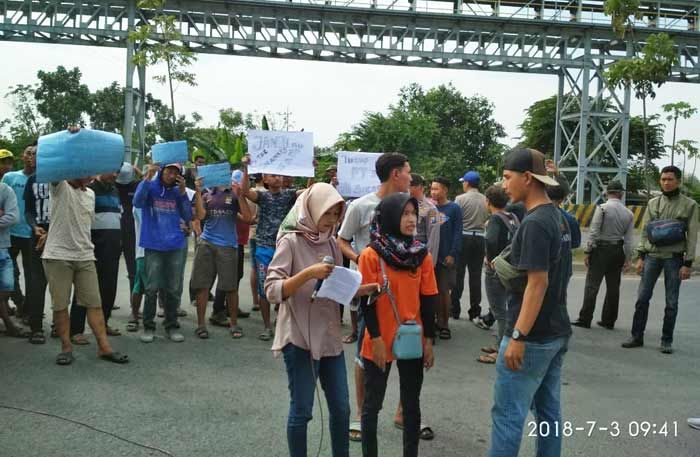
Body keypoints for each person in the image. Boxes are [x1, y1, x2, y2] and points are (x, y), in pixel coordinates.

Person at [265, 183, 379, 457]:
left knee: (341, 407)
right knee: (302, 409)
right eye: (328, 213)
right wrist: (308, 273)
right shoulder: (290, 241)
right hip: (300, 337)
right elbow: (272, 290)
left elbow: (335, 285)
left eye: (337, 215)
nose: (332, 221)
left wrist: (363, 289)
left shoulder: (331, 243)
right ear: (312, 208)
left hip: (329, 336)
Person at [489, 148, 571, 457]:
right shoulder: (558, 217)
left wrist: (518, 336)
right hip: (556, 331)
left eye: (508, 177)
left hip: (533, 336)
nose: (504, 184)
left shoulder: (535, 223)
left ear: (527, 178)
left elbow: (538, 283)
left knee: (508, 415)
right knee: (548, 413)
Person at [336, 153, 411, 441]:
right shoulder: (361, 205)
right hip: (372, 295)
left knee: (408, 352)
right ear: (395, 173)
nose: (409, 176)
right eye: (407, 171)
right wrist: (360, 259)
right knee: (365, 354)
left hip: (404, 296)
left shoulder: (408, 205)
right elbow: (342, 239)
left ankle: (404, 411)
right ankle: (361, 413)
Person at [358, 193, 437, 457]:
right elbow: (366, 302)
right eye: (404, 213)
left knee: (412, 406)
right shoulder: (371, 255)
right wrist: (377, 339)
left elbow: (429, 299)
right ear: (390, 216)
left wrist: (429, 341)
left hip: (413, 339)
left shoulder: (420, 254)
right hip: (378, 341)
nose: (411, 219)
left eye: (414, 213)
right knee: (372, 406)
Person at [42, 127, 129, 366]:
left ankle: (104, 347)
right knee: (60, 305)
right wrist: (71, 138)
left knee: (94, 302)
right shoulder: (59, 187)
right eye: (85, 171)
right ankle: (66, 347)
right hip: (58, 255)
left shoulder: (90, 194)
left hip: (85, 255)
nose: (90, 174)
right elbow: (55, 164)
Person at [623, 166, 698, 354]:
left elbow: (693, 236)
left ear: (678, 181)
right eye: (663, 179)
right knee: (642, 298)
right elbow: (645, 232)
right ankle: (636, 336)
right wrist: (640, 257)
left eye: (670, 179)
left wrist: (687, 264)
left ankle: (666, 341)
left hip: (674, 259)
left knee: (671, 302)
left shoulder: (690, 205)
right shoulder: (653, 203)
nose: (666, 182)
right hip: (652, 257)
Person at [134, 162, 196, 343]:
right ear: (161, 171)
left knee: (173, 288)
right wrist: (147, 177)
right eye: (168, 171)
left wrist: (184, 193)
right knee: (151, 287)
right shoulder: (150, 186)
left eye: (175, 173)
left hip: (175, 245)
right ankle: (148, 326)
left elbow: (187, 216)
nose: (171, 175)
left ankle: (171, 325)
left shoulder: (178, 192)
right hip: (153, 245)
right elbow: (137, 201)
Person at [243, 161, 304, 341]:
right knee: (264, 288)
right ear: (265, 180)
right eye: (272, 175)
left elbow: (309, 192)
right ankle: (267, 326)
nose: (277, 178)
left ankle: (282, 320)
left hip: (285, 247)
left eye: (279, 175)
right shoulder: (261, 196)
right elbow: (246, 191)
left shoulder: (289, 195)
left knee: (286, 286)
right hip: (264, 247)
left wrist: (310, 169)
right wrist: (246, 168)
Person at [191, 172, 251, 339]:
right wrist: (197, 191)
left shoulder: (233, 194)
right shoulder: (206, 194)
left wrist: (240, 196)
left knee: (230, 287)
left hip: (228, 246)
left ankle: (233, 324)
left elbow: (248, 217)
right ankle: (201, 325)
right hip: (206, 243)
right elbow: (201, 216)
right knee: (202, 286)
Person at [572, 180, 634, 329]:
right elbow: (629, 240)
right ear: (621, 194)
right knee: (613, 287)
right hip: (617, 250)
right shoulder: (629, 213)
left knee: (592, 286)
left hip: (601, 250)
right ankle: (609, 320)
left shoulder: (602, 209)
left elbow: (594, 232)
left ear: (607, 193)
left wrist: (588, 251)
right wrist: (628, 258)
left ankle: (585, 319)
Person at [70, 172, 124, 337]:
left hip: (112, 248)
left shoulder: (115, 190)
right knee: (84, 290)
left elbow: (118, 217)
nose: (115, 175)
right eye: (111, 171)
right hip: (91, 248)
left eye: (117, 172)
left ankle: (103, 324)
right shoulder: (88, 189)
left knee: (108, 289)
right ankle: (76, 330)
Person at [477, 185, 519, 364]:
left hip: (496, 269)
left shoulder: (495, 219)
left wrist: (489, 257)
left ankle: (501, 350)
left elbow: (491, 239)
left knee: (500, 311)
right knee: (506, 308)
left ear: (488, 201)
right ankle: (501, 342)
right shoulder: (513, 217)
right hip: (510, 266)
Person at [1, 145, 35, 320]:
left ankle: (29, 310)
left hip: (32, 234)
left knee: (32, 275)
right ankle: (19, 302)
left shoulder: (42, 179)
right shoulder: (10, 177)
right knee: (10, 273)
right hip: (10, 233)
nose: (31, 157)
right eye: (28, 153)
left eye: (34, 154)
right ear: (23, 156)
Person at [452, 171, 489, 322]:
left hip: (463, 236)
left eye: (463, 182)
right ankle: (475, 310)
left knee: (458, 274)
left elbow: (455, 219)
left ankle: (454, 308)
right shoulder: (485, 199)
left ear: (467, 183)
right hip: (480, 238)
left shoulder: (460, 199)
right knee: (475, 276)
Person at [429, 177, 461, 340]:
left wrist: (452, 254)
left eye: (436, 189)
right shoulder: (429, 207)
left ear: (445, 190)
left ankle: (444, 324)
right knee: (432, 292)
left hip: (446, 257)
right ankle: (435, 320)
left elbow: (457, 232)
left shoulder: (454, 208)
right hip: (430, 257)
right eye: (432, 189)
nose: (433, 192)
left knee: (444, 291)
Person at [24, 167, 51, 343]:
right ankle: (36, 328)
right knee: (36, 283)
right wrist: (34, 227)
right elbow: (28, 211)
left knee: (60, 283)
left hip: (61, 237)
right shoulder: (32, 180)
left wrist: (52, 233)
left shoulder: (65, 177)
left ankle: (59, 324)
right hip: (37, 238)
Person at [0, 176, 27, 338]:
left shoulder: (5, 190)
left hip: (3, 247)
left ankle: (9, 325)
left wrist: (5, 214)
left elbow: (13, 217)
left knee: (7, 288)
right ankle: (10, 325)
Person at [115, 162, 142, 294]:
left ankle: (108, 301)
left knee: (130, 270)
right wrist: (139, 172)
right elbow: (146, 181)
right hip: (124, 232)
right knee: (133, 269)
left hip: (124, 232)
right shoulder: (135, 186)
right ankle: (134, 305)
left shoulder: (112, 185)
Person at [408, 173, 440, 264]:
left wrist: (430, 262)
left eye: (409, 186)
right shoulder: (403, 205)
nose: (407, 189)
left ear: (419, 187)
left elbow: (433, 237)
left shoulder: (431, 209)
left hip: (420, 256)